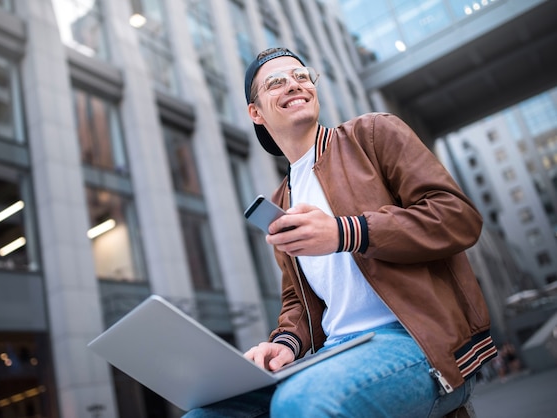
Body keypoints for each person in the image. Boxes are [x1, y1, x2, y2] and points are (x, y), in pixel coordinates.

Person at [184, 47, 497, 418]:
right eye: (276, 82)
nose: (294, 85)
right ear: (256, 112)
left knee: (301, 403)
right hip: (338, 351)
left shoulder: (374, 134)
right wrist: (287, 343)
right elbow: (298, 300)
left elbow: (458, 217)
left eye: (302, 76)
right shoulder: (281, 199)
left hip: (417, 341)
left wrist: (346, 232)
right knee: (204, 414)